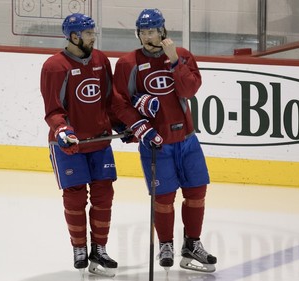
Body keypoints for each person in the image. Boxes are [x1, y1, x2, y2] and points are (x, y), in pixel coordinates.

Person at [112, 8, 217, 273]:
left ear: (163, 31)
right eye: (143, 32)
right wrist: (141, 127)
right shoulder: (128, 63)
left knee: (196, 192)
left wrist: (174, 63)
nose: (148, 36)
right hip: (156, 143)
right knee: (164, 197)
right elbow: (120, 103)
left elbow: (189, 90)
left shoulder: (182, 56)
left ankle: (192, 244)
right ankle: (166, 244)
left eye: (153, 31)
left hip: (187, 139)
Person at [40, 13, 120, 277]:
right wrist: (63, 130)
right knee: (75, 197)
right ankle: (79, 248)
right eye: (88, 33)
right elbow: (53, 110)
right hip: (68, 144)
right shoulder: (55, 66)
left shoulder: (100, 60)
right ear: (73, 36)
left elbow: (110, 100)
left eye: (92, 32)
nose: (93, 37)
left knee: (103, 196)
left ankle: (100, 249)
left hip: (99, 141)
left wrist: (122, 125)